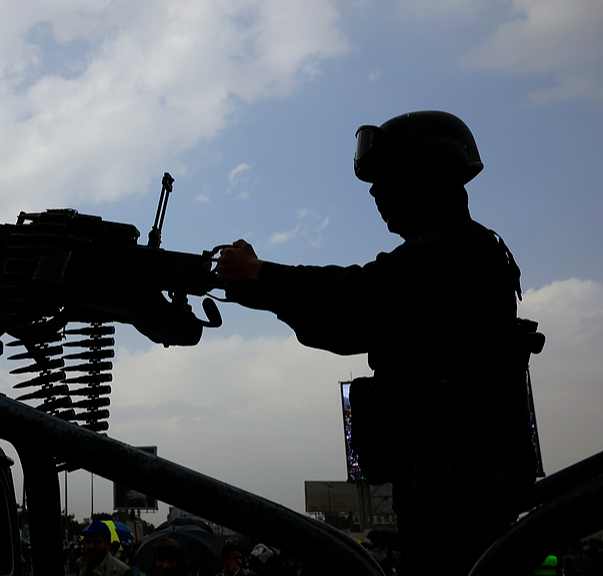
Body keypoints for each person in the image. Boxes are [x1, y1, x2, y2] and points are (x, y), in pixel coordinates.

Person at [216, 110, 538, 575]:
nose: (375, 191)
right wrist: (268, 298)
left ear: (421, 176)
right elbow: (352, 331)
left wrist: (263, 273)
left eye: (385, 176)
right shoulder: (449, 253)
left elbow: (361, 294)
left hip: (461, 483)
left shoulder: (454, 248)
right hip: (443, 477)